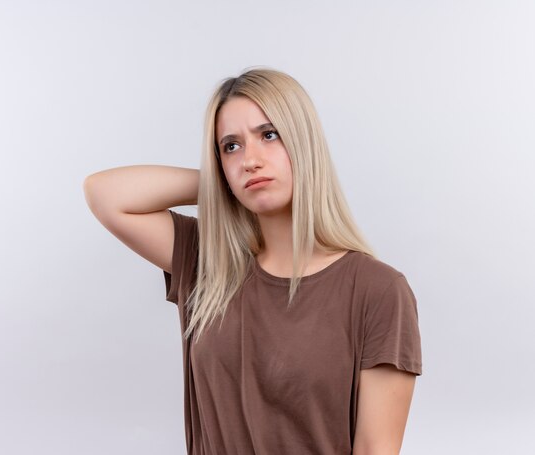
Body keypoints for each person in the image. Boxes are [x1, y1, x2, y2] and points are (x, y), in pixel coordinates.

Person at [83, 67, 423, 455]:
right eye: (231, 146)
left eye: (269, 135)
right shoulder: (209, 262)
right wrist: (220, 182)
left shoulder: (377, 290)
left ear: (304, 142)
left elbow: (376, 449)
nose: (250, 160)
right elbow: (105, 195)